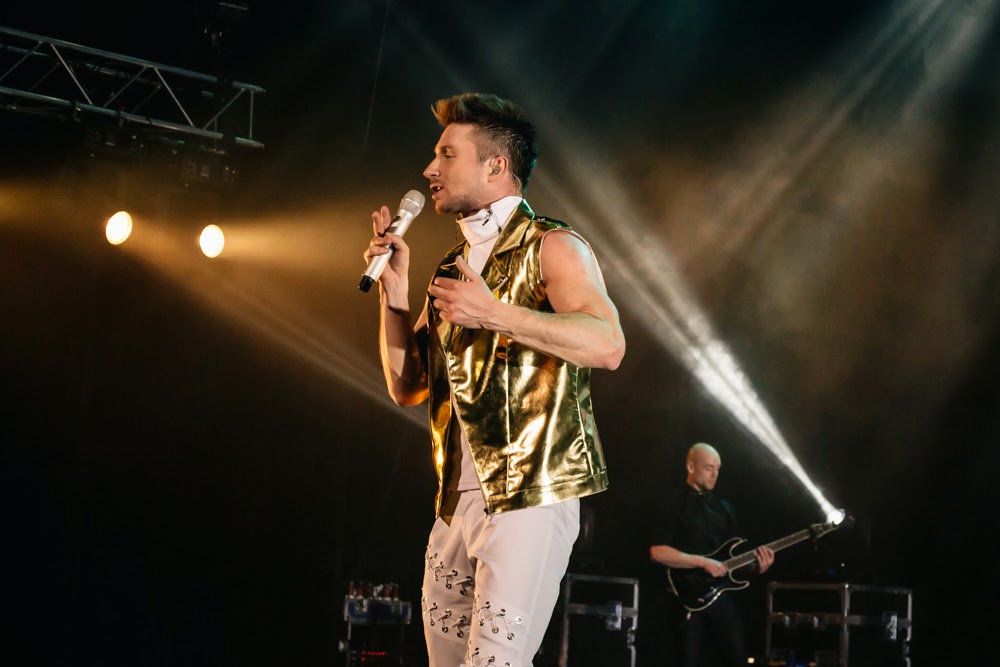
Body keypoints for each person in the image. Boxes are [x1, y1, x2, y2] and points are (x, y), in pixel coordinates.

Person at [363, 92, 626, 667]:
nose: (429, 169)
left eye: (446, 154)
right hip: (455, 501)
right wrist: (395, 295)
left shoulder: (553, 245)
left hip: (530, 494)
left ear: (496, 166)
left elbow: (607, 344)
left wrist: (495, 313)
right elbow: (408, 387)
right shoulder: (452, 265)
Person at [649, 442, 775, 667]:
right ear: (690, 467)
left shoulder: (724, 508)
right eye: (709, 468)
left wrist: (757, 568)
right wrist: (702, 562)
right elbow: (657, 552)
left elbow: (735, 561)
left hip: (719, 596)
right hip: (685, 596)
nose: (715, 474)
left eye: (718, 468)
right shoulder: (672, 503)